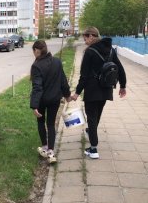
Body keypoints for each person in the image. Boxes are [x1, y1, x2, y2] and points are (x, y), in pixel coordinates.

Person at [71, 27, 127, 159]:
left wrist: (77, 93)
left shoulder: (90, 52)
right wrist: (123, 86)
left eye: (85, 37)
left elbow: (84, 76)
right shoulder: (111, 50)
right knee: (96, 117)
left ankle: (93, 149)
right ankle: (91, 132)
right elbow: (120, 68)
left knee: (91, 117)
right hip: (106, 89)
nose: (84, 39)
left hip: (92, 90)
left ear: (91, 36)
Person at [30, 40, 71, 164]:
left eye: (33, 51)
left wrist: (34, 105)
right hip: (55, 99)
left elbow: (37, 87)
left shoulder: (36, 66)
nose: (33, 54)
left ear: (37, 50)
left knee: (41, 122)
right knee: (51, 124)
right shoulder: (57, 62)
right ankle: (51, 151)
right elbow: (63, 80)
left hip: (42, 100)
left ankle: (44, 147)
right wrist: (67, 95)